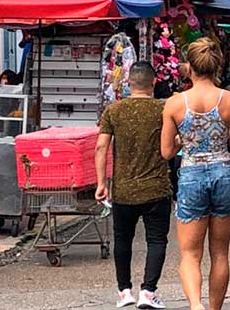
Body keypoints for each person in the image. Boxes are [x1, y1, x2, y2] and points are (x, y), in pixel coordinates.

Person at [161, 38, 230, 310]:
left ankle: (195, 305)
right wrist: (228, 137)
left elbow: (166, 152)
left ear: (190, 68)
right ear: (217, 65)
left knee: (190, 253)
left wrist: (182, 141)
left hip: (191, 174)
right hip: (223, 171)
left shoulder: (175, 104)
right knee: (220, 252)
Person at [96, 61, 170, 309]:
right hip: (156, 188)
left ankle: (124, 291)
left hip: (123, 190)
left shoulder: (114, 111)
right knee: (157, 240)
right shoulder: (163, 109)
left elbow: (101, 146)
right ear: (154, 82)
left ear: (128, 83)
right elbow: (171, 145)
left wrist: (101, 182)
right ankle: (148, 292)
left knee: (123, 240)